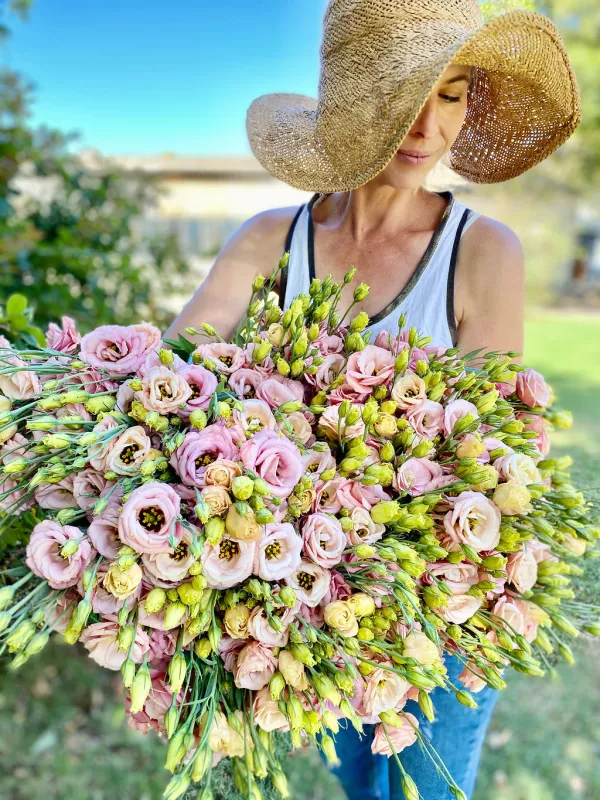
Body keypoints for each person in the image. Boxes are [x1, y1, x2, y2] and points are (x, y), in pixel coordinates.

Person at [166, 1, 580, 797]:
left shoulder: (482, 251)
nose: (430, 127)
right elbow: (165, 381)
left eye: (453, 94)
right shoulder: (267, 242)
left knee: (425, 788)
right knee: (359, 781)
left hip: (445, 610)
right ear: (354, 104)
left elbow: (499, 454)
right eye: (407, 95)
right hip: (309, 606)